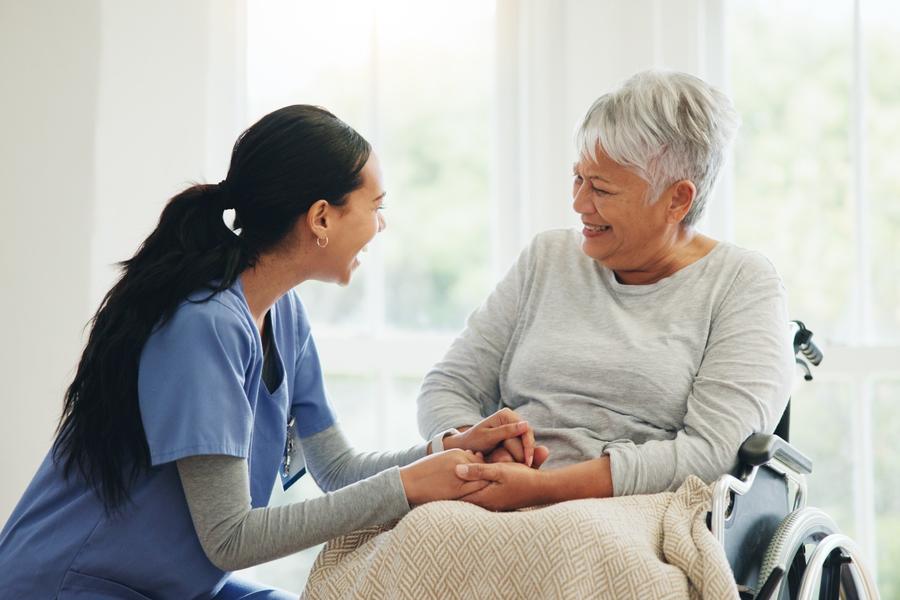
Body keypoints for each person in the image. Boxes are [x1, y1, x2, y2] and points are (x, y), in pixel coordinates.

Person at [0, 105, 537, 599]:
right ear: (321, 217)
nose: (381, 225)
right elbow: (231, 539)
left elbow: (336, 467)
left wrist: (445, 451)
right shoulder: (204, 325)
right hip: (74, 582)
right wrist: (410, 488)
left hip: (170, 587)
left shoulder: (285, 314)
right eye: (375, 207)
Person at [417, 70, 796, 510]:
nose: (579, 204)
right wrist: (472, 444)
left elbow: (711, 453)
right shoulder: (547, 257)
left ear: (677, 199)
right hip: (495, 495)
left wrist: (544, 488)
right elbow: (448, 385)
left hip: (637, 513)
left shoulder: (742, 284)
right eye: (578, 178)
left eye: (600, 189)